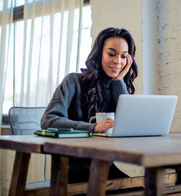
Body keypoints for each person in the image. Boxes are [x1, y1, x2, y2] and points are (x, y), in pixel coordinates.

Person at [41, 27, 138, 183]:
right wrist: (93, 128)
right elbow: (48, 120)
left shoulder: (118, 86)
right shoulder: (73, 81)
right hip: (73, 171)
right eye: (111, 54)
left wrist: (119, 81)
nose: (117, 61)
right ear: (99, 54)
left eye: (123, 56)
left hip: (105, 166)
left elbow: (129, 124)